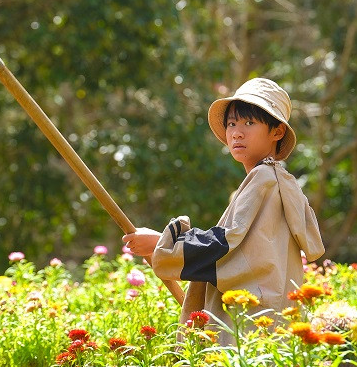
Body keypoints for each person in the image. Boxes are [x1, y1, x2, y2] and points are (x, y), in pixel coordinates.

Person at [122, 78, 324, 342]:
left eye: (249, 123)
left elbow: (227, 243)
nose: (237, 133)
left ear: (277, 132)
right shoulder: (276, 180)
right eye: (231, 124)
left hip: (251, 324)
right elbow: (246, 251)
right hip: (269, 320)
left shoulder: (263, 179)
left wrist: (163, 243)